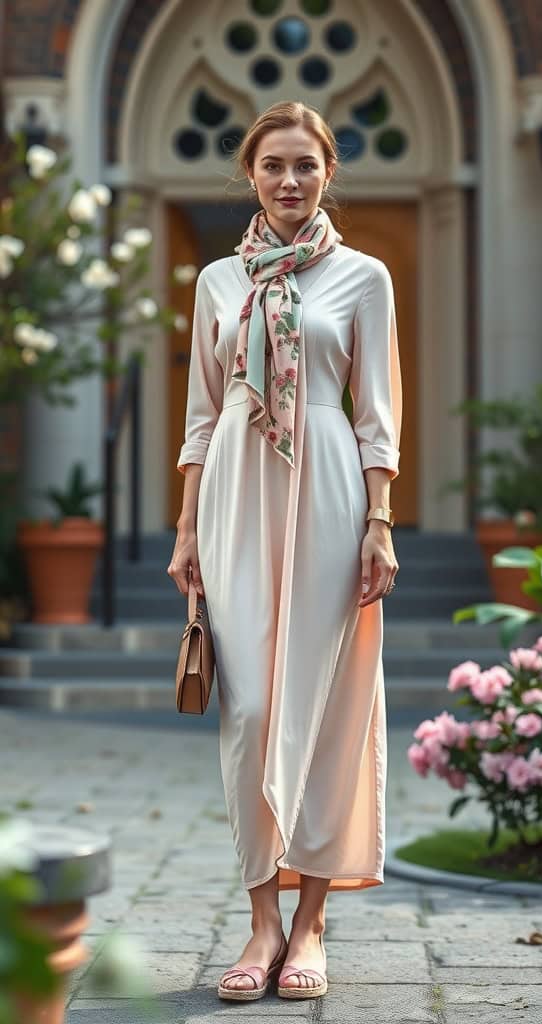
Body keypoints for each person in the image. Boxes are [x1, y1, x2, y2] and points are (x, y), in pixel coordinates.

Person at [167, 100, 402, 1002]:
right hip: (234, 493)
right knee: (253, 710)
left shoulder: (365, 278)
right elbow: (198, 413)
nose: (290, 180)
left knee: (327, 707)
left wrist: (381, 521)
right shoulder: (219, 283)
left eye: (306, 164)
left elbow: (377, 417)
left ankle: (309, 925)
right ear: (251, 174)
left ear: (328, 171)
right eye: (274, 166)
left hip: (334, 497)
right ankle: (259, 918)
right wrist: (186, 527)